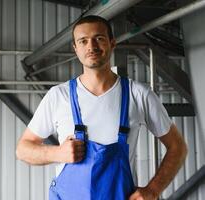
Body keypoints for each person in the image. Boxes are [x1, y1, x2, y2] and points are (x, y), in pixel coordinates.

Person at [16, 15, 187, 200]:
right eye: (83, 41)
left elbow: (178, 147)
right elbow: (23, 150)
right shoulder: (58, 96)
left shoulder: (138, 94)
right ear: (75, 48)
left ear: (112, 43)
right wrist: (57, 153)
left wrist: (152, 190)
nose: (91, 46)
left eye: (99, 38)